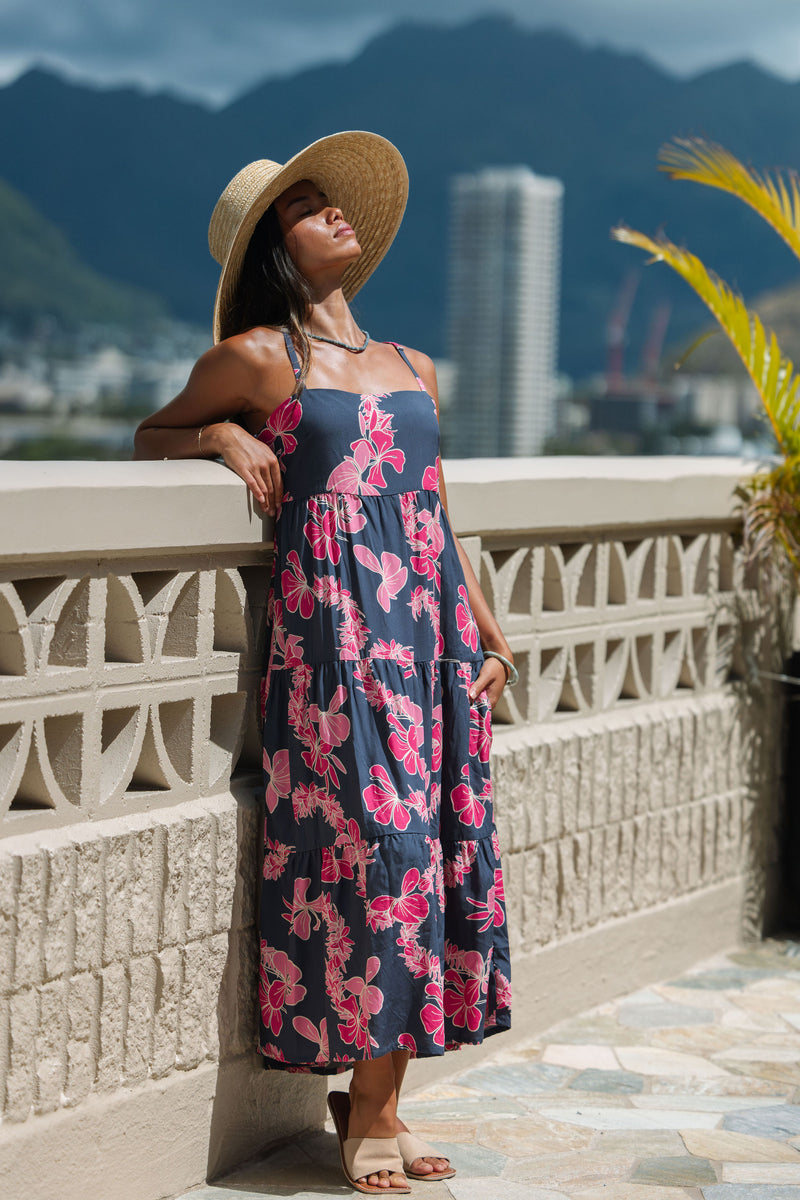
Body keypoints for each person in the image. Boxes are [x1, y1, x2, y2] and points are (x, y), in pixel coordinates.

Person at [135, 132, 513, 1196]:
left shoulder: (411, 365)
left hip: (428, 637)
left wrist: (487, 631)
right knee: (371, 853)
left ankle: (379, 1101)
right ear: (274, 248)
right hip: (336, 641)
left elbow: (432, 507)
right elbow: (150, 434)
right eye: (311, 209)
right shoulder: (259, 359)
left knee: (430, 852)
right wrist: (220, 439)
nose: (338, 215)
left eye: (333, 204)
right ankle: (362, 1104)